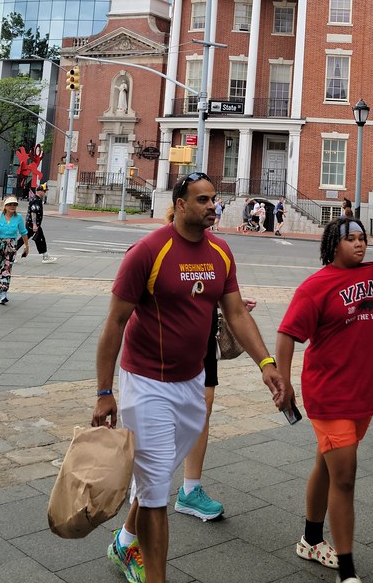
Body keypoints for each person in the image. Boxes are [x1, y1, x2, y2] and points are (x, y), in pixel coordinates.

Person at [92, 171, 284, 583]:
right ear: (180, 205)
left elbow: (235, 313)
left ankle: (125, 540)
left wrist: (266, 364)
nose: (212, 206)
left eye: (214, 198)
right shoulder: (147, 251)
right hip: (146, 385)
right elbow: (114, 324)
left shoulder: (221, 251)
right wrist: (105, 392)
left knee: (154, 478)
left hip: (191, 383)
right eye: (202, 200)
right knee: (158, 492)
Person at [275, 216, 373, 583]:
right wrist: (284, 383)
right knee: (345, 477)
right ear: (332, 245)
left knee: (327, 465)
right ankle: (348, 571)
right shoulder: (316, 286)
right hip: (327, 392)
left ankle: (309, 540)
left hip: (361, 392)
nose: (359, 244)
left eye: (362, 238)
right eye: (350, 239)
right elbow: (287, 333)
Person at [175, 296, 258, 522]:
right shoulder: (152, 258)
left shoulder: (218, 258)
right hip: (167, 334)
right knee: (161, 410)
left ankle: (190, 491)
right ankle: (133, 472)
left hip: (204, 336)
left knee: (203, 406)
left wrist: (230, 303)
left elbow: (212, 285)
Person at [0, 196, 29, 305]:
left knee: (6, 268)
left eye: (14, 205)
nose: (12, 207)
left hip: (11, 245)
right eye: (10, 204)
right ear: (5, 206)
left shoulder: (18, 217)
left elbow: (23, 232)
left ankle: (3, 293)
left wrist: (26, 246)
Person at [25, 186, 57, 263]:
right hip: (33, 225)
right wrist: (35, 224)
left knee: (36, 239)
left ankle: (45, 255)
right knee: (39, 239)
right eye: (44, 191)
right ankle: (45, 256)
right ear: (39, 191)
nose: (45, 193)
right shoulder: (37, 200)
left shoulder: (35, 198)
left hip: (31, 223)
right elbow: (34, 212)